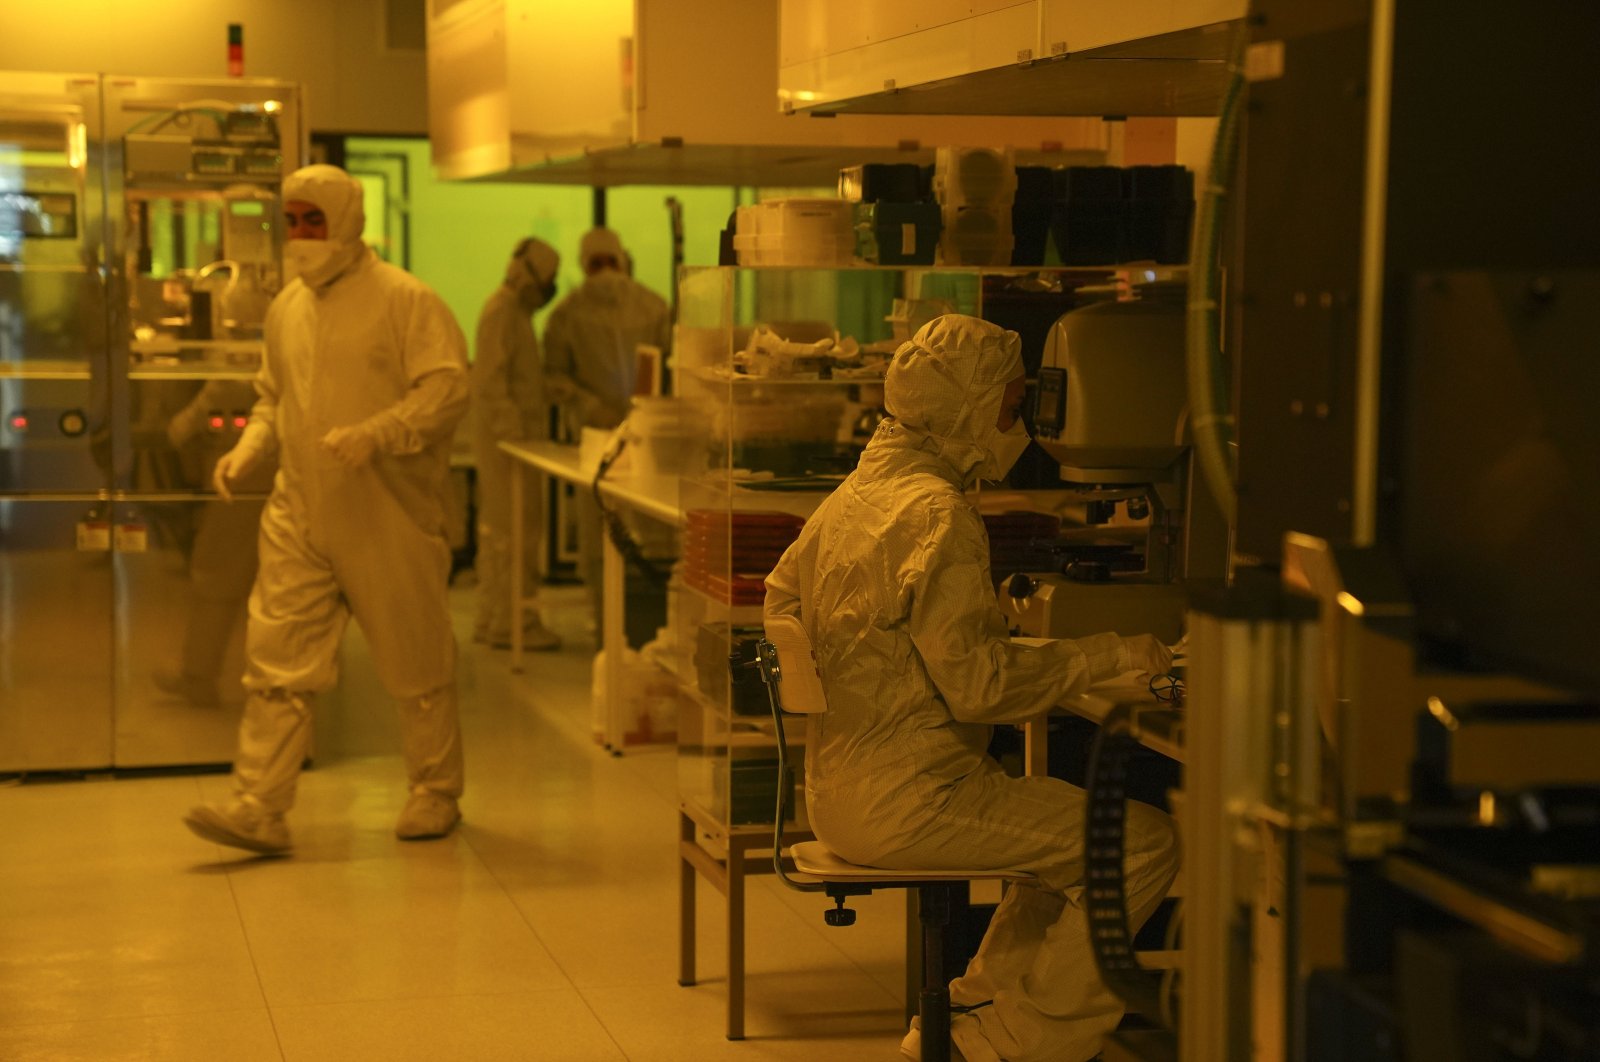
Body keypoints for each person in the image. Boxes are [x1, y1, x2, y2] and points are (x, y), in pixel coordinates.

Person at [763, 315, 1179, 1062]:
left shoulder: (856, 494)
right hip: (912, 801)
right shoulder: (936, 512)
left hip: (833, 792)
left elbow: (781, 596)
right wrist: (1113, 655)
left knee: (1060, 838)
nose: (1017, 425)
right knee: (1140, 844)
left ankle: (968, 1015)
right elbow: (981, 689)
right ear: (962, 405)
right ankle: (1013, 1045)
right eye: (1010, 407)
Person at [183, 164, 471, 855]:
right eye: (290, 223)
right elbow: (271, 398)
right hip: (300, 509)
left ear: (347, 220)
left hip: (387, 512)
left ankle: (436, 791)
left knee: (415, 659)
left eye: (314, 221)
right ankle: (260, 805)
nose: (301, 236)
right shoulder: (286, 307)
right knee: (276, 659)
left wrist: (380, 432)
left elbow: (447, 389)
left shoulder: (407, 300)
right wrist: (251, 450)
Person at [541, 227, 671, 628]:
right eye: (596, 264)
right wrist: (587, 405)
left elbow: (671, 367)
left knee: (652, 532)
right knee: (601, 535)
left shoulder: (652, 306)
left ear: (621, 260)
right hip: (597, 440)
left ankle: (650, 622)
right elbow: (553, 376)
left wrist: (658, 411)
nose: (604, 272)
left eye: (608, 262)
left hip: (649, 437)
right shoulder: (566, 315)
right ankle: (606, 622)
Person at [470, 237, 563, 651]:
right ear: (530, 276)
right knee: (516, 536)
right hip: (508, 447)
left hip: (510, 443)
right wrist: (515, 435)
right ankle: (515, 623)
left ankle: (494, 619)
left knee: (502, 534)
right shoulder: (502, 312)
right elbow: (490, 383)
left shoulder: (513, 313)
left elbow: (516, 379)